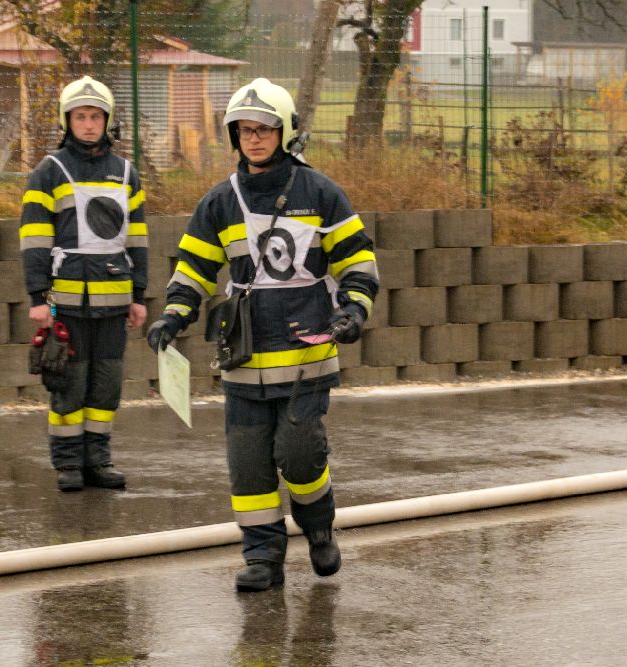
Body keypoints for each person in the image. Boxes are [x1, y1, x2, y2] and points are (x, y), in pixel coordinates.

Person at [146, 78, 379, 591]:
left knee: (299, 453)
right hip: (244, 358)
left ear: (286, 132)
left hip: (305, 355)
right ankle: (263, 559)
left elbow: (357, 261)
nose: (253, 139)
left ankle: (318, 526)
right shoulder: (219, 202)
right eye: (245, 130)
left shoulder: (321, 193)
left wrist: (353, 310)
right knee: (248, 464)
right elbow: (194, 269)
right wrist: (173, 316)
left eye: (264, 129)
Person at [19, 75, 147, 492]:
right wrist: (38, 297)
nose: (89, 125)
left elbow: (137, 239)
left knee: (106, 384)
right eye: (80, 117)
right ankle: (69, 463)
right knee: (69, 382)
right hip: (66, 301)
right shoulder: (49, 172)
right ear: (67, 121)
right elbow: (34, 239)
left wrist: (139, 296)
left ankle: (99, 460)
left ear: (107, 121)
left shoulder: (126, 173)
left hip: (114, 301)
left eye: (95, 117)